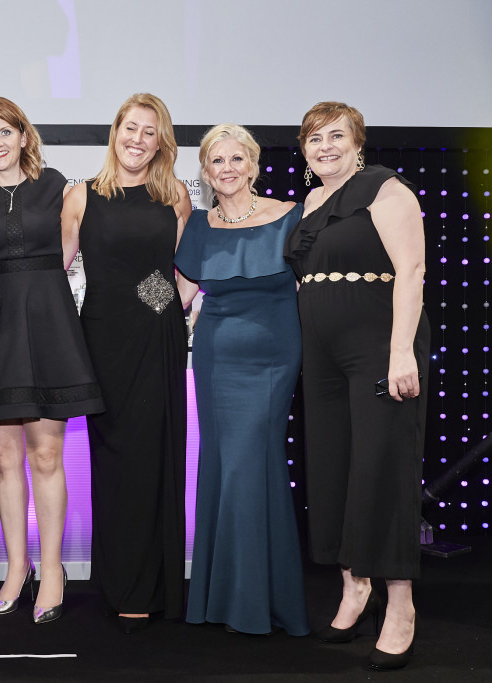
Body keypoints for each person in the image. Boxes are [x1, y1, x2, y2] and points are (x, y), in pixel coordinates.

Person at [284, 102, 428, 671]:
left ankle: (401, 605)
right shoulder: (311, 203)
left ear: (357, 142)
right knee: (334, 467)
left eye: (335, 136)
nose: (324, 147)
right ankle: (354, 586)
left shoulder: (386, 190)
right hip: (319, 358)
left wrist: (398, 353)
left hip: (378, 349)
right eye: (313, 139)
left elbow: (411, 271)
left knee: (383, 470)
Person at [0, 97, 104, 624]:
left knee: (46, 457)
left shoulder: (57, 186)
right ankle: (16, 568)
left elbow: (79, 249)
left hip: (48, 327)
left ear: (24, 135)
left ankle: (52, 568)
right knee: (3, 461)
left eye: (4, 132)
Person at [61, 93, 192, 633]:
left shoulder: (175, 196)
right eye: (130, 128)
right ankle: (119, 583)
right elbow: (55, 271)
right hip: (99, 344)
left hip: (156, 342)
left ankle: (153, 587)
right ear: (115, 132)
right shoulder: (81, 196)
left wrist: (150, 307)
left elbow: (184, 272)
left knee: (153, 460)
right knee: (112, 463)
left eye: (149, 132)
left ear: (161, 142)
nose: (137, 140)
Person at [174, 124, 310, 636]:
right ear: (205, 173)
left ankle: (251, 598)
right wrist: (108, 310)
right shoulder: (201, 225)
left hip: (275, 356)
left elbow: (308, 287)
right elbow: (175, 291)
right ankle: (229, 596)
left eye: (237, 159)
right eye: (216, 162)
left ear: (253, 166)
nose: (227, 169)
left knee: (252, 463)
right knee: (225, 464)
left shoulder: (289, 215)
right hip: (215, 358)